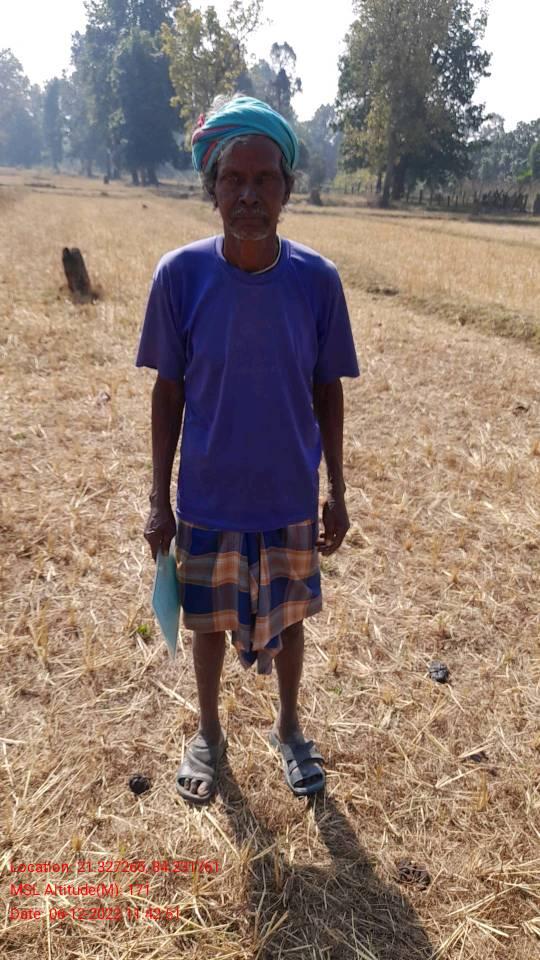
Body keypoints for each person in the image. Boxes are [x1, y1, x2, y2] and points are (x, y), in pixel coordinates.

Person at [135, 95, 360, 805]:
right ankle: (209, 734)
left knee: (289, 621)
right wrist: (158, 500)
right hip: (209, 494)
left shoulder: (317, 281)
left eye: (266, 179)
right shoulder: (180, 276)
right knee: (206, 623)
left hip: (288, 492)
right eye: (233, 178)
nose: (249, 194)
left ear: (288, 189)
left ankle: (289, 728)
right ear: (213, 187)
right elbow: (168, 394)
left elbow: (328, 390)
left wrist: (337, 490)